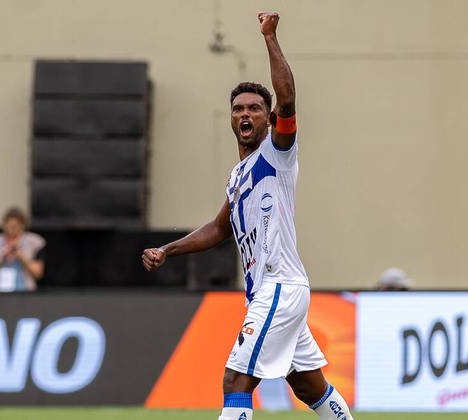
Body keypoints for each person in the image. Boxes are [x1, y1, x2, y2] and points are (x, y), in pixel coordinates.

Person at [142, 12, 353, 420]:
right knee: (310, 387)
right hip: (270, 292)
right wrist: (167, 249)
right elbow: (219, 228)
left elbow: (288, 98)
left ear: (269, 118)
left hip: (279, 287)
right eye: (238, 108)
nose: (245, 114)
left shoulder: (277, 155)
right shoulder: (238, 176)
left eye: (256, 109)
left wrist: (270, 38)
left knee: (235, 381)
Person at [0, 207, 45, 292]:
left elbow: (38, 273)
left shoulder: (34, 242)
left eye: (15, 227)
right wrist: (2, 256)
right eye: (9, 227)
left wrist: (21, 256)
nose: (11, 231)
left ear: (23, 226)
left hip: (24, 292)